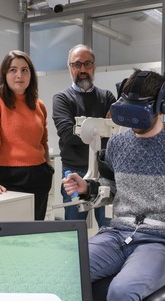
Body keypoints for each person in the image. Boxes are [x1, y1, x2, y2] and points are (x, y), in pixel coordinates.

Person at [63, 69, 165, 300]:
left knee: (121, 291)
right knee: (64, 270)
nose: (132, 120)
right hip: (116, 233)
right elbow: (110, 187)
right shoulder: (117, 144)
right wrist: (87, 188)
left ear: (161, 106)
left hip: (164, 240)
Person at [0, 50, 54, 221]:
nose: (19, 75)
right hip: (8, 179)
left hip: (39, 176)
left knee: (36, 231)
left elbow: (43, 141)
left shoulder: (38, 105)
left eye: (25, 70)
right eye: (13, 70)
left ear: (31, 75)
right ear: (4, 73)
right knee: (12, 235)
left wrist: (48, 168)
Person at [52, 44, 116, 227]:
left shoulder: (107, 97)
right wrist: (101, 126)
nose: (82, 69)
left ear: (94, 66)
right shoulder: (62, 98)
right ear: (70, 67)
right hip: (74, 171)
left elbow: (113, 134)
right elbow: (67, 135)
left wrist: (84, 128)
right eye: (77, 64)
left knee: (109, 226)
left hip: (105, 172)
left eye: (87, 64)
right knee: (74, 228)